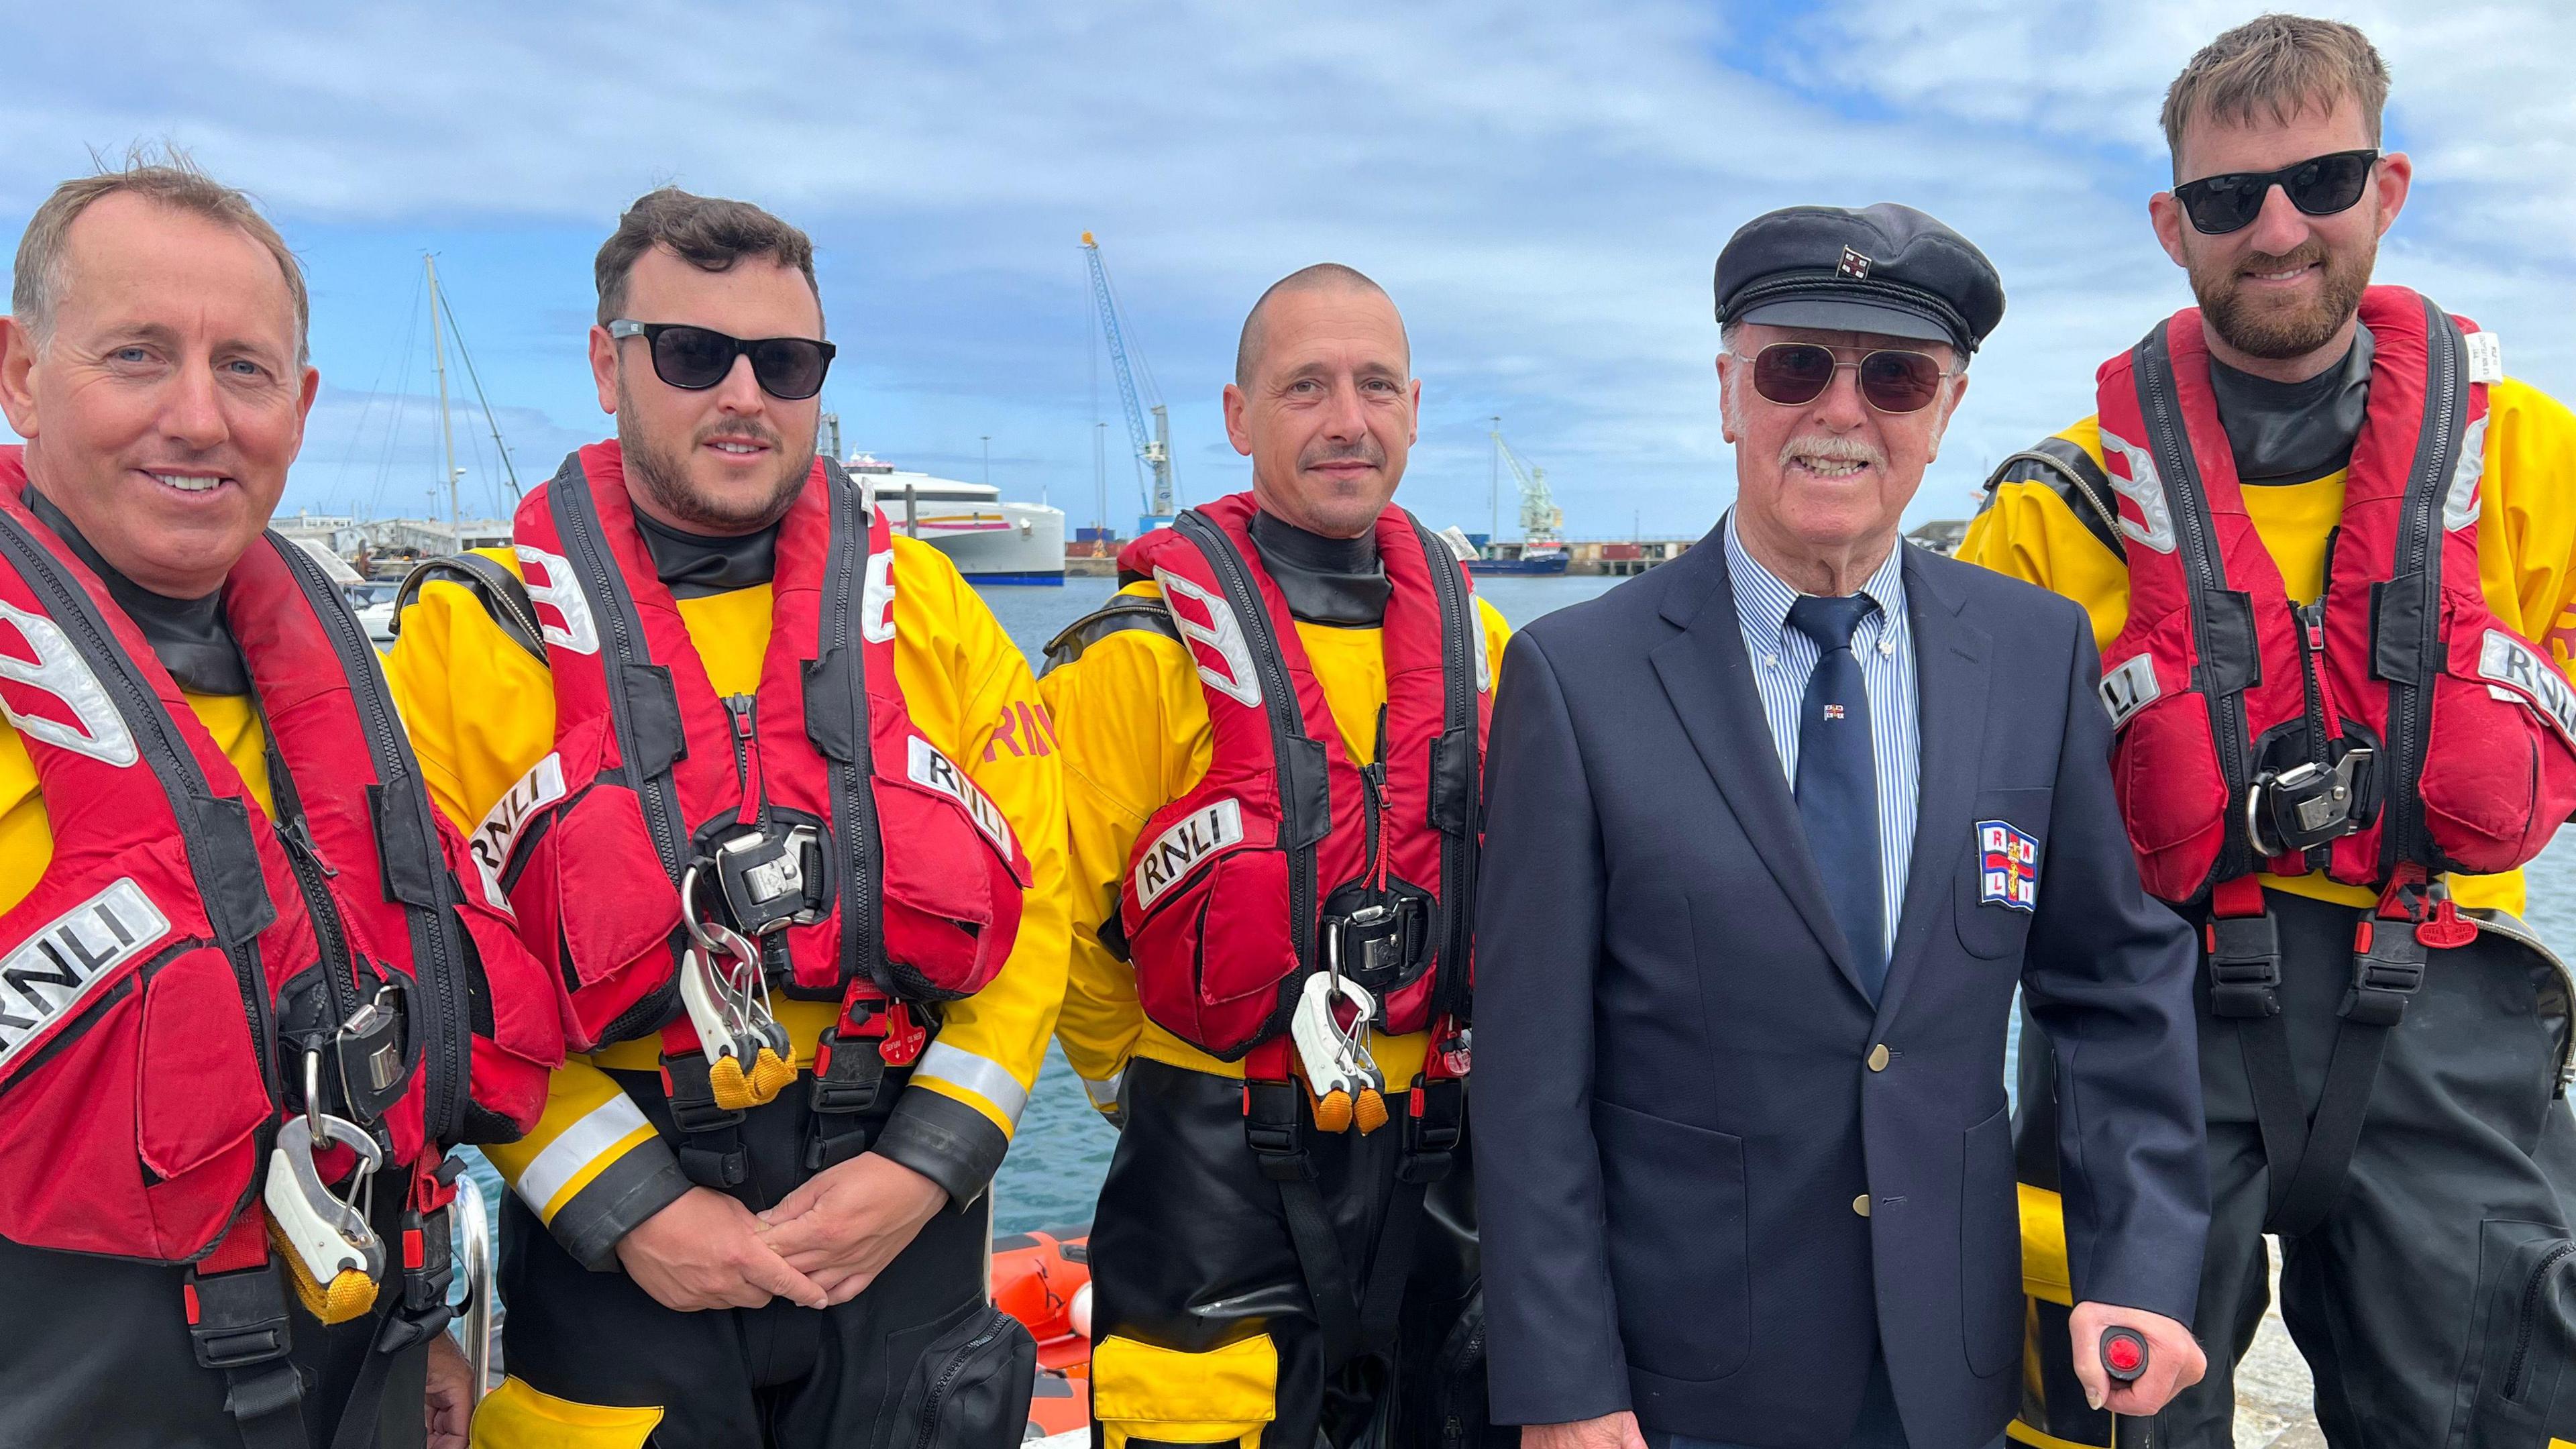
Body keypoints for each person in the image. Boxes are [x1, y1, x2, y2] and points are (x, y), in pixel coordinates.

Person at [1474, 203, 2212, 1449]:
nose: (1841, 412)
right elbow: (1533, 1075)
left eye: (1896, 377)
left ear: (1946, 411)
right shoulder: (1575, 675)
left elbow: (2111, 983)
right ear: (1728, 394)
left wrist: (2139, 1261)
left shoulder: (2034, 656)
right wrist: (1564, 1390)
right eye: (1795, 367)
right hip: (1678, 1383)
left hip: (1947, 1364)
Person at [1960, 16, 2576, 1446]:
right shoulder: (2049, 514)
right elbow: (1950, 830)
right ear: (2175, 224)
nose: (2279, 226)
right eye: (2231, 197)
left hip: (2456, 1020)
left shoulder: (2538, 464)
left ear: (2391, 185)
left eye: (2324, 177)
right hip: (2145, 1031)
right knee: (2097, 1418)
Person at [384, 187, 1067, 1448]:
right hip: (616, 1261)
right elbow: (437, 965)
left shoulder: (934, 612)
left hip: (900, 1235)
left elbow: (1044, 903)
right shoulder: (468, 640)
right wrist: (627, 1203)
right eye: (695, 354)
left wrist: (924, 1164)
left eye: (787, 362)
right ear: (608, 363)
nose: (745, 395)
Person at [0, 158, 561, 1449]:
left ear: (300, 408)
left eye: (243, 370)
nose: (198, 417)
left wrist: (427, 1334)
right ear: (24, 375)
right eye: (138, 355)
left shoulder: (343, 694)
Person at [1040, 264, 1512, 1449]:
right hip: (1207, 1177)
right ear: (1241, 416)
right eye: (1306, 386)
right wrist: (1136, 1089)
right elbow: (1052, 934)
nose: (1347, 419)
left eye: (1375, 385)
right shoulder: (1135, 661)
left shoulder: (1484, 650)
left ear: (1413, 408)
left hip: (1442, 1165)